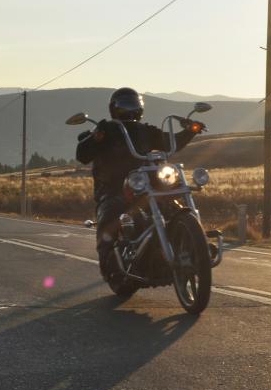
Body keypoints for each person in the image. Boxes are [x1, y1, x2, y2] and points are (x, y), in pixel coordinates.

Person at [75, 87, 204, 278]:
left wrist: (190, 131)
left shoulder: (146, 130)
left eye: (133, 104)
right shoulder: (106, 130)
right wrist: (94, 138)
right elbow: (82, 155)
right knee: (111, 212)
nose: (129, 108)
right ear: (114, 108)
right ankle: (107, 262)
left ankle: (192, 242)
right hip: (113, 187)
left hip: (146, 184)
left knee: (173, 202)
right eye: (125, 104)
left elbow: (170, 142)